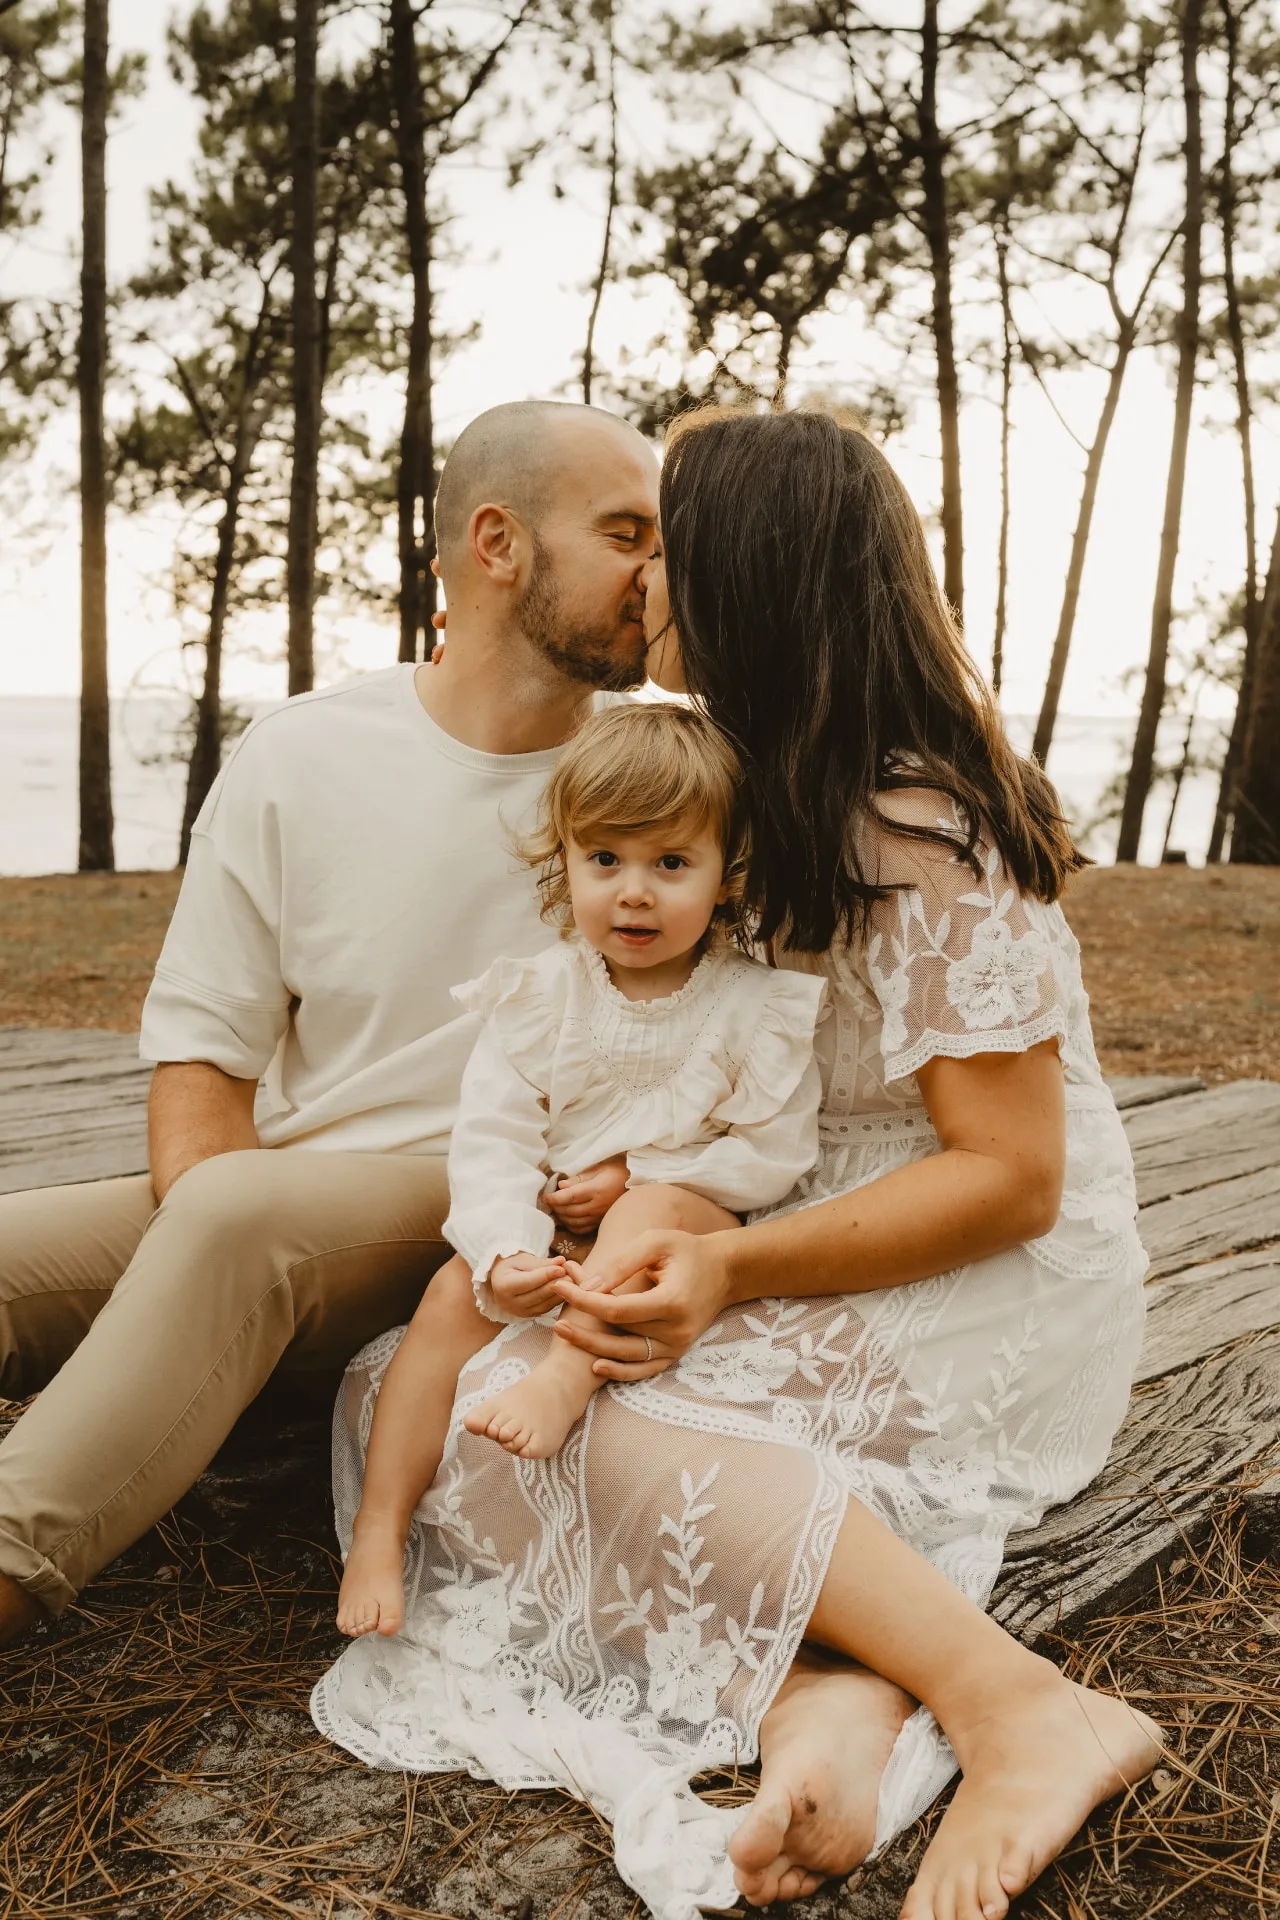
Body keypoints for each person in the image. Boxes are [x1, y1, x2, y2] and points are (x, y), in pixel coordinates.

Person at [313, 408, 1162, 1920]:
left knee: (591, 1423)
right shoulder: (740, 780)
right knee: (414, 1383)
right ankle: (822, 1700)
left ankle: (1020, 1704)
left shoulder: (920, 819)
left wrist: (722, 1266)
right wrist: (644, 1177)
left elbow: (1013, 1179)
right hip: (780, 1206)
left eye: (664, 545)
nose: (638, 582)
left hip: (980, 1274)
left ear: (749, 574)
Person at [0, 399, 660, 1642]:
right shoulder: (303, 754)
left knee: (243, 1218)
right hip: (286, 1206)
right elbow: (204, 1056)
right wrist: (216, 1287)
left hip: (498, 1212)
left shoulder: (663, 774)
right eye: (627, 533)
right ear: (497, 542)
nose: (658, 574)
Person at [335, 701, 827, 1639]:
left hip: (690, 1220)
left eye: (670, 864)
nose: (633, 893)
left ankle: (566, 1372)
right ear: (564, 861)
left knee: (651, 1212)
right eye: (605, 860)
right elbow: (491, 1140)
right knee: (445, 1303)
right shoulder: (539, 998)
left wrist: (638, 1169)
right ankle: (377, 1526)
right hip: (556, 1226)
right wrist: (507, 1251)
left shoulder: (752, 1007)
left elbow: (774, 1150)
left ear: (728, 876)